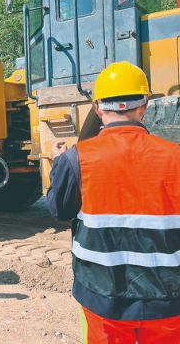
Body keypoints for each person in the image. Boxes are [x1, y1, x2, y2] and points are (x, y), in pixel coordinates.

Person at [47, 61, 180, 343]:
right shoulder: (175, 157)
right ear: (144, 107)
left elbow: (59, 210)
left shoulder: (76, 158)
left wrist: (58, 165)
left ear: (98, 108)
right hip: (169, 300)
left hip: (102, 299)